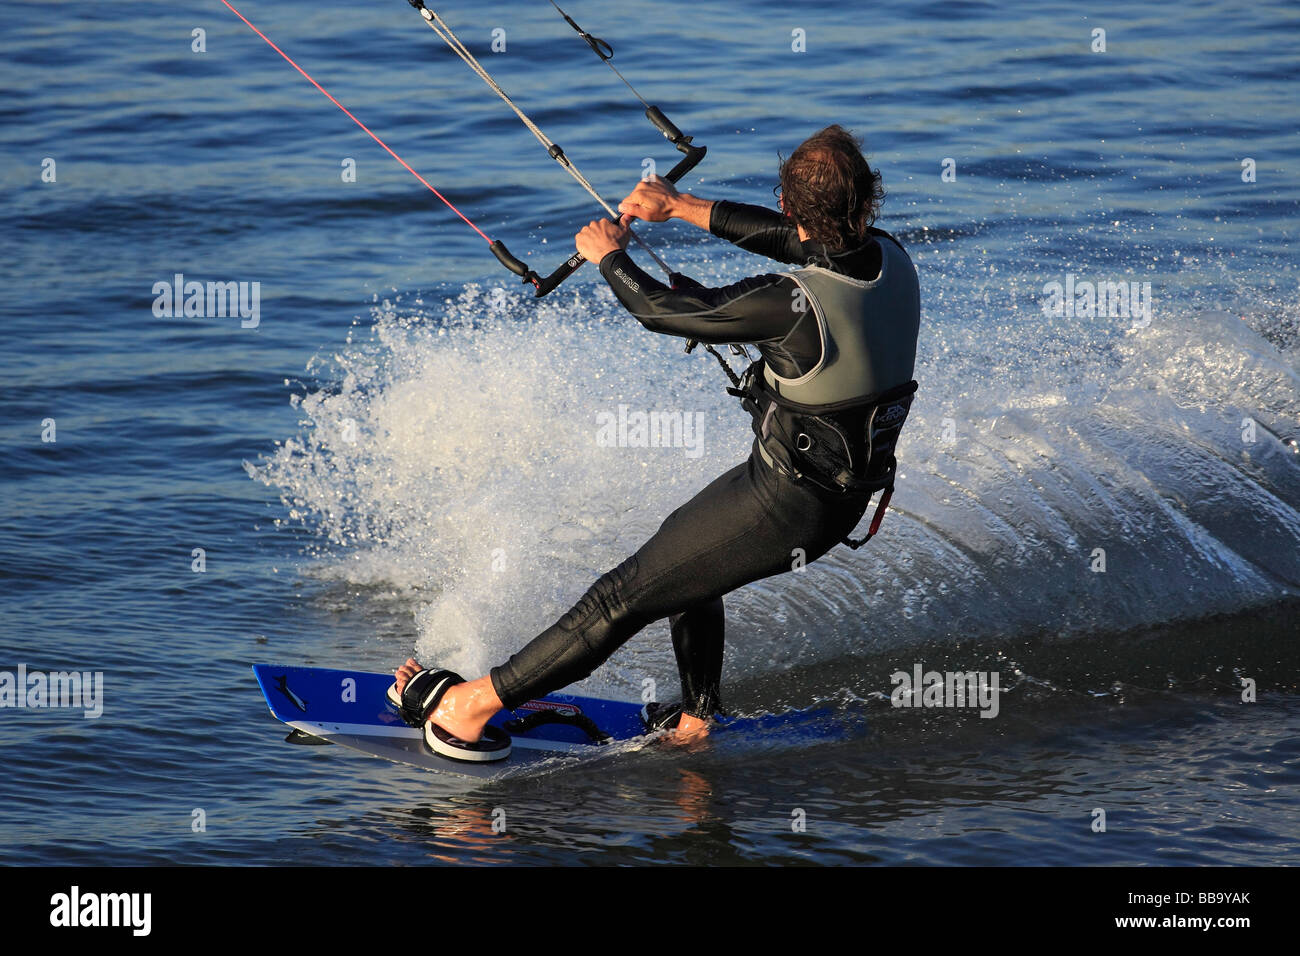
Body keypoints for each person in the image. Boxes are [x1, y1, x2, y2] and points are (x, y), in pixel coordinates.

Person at [392, 125, 921, 761]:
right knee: (689, 569)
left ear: (788, 207)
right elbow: (798, 241)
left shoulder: (794, 303)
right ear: (868, 202)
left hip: (788, 503)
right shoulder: (890, 256)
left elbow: (665, 313)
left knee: (621, 597)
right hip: (828, 497)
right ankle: (699, 719)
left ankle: (468, 708)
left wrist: (609, 255)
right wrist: (677, 208)